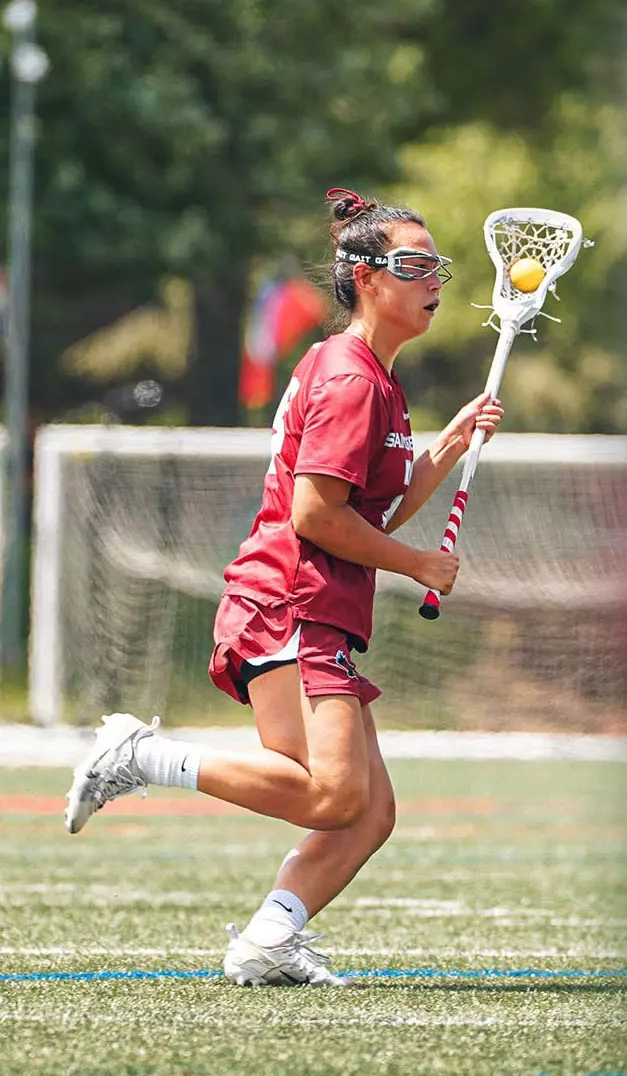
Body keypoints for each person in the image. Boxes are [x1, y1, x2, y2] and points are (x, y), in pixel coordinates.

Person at [63, 187, 505, 985]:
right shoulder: (352, 379)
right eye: (413, 264)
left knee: (370, 811)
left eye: (436, 264)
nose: (433, 277)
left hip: (314, 605)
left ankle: (270, 937)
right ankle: (142, 756)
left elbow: (372, 507)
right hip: (291, 601)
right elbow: (314, 515)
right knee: (336, 797)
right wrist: (418, 567)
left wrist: (445, 447)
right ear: (367, 278)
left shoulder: (375, 378)